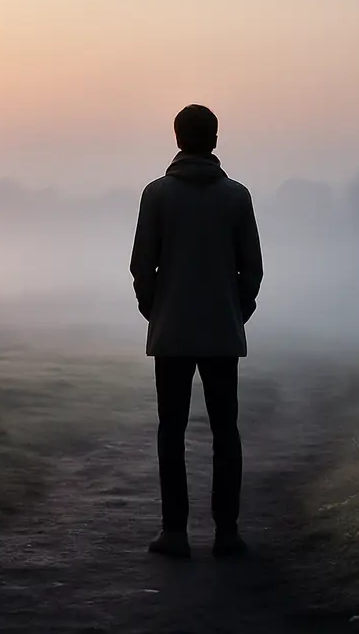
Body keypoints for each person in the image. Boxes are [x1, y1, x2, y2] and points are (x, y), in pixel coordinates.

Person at [129, 104, 264, 560]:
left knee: (172, 431)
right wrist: (236, 312)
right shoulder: (237, 197)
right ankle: (226, 533)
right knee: (226, 432)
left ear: (177, 138)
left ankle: (175, 532)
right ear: (215, 140)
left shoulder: (157, 195)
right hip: (222, 332)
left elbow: (141, 265)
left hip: (172, 333)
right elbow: (253, 270)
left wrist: (156, 310)